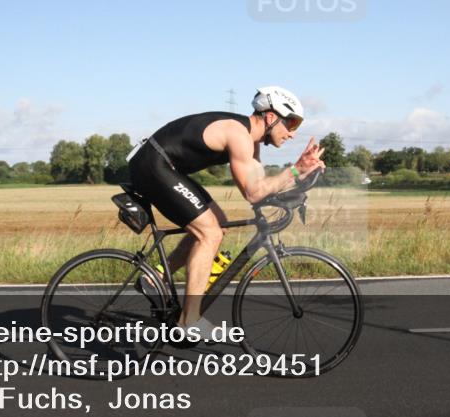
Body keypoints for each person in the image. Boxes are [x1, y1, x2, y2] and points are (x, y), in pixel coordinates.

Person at [126, 86, 325, 336]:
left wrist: (303, 176)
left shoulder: (251, 143)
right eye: (292, 123)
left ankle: (155, 277)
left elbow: (262, 190)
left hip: (166, 167)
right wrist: (295, 169)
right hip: (153, 166)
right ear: (272, 117)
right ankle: (189, 320)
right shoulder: (238, 134)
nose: (292, 133)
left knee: (218, 223)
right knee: (209, 234)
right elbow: (254, 193)